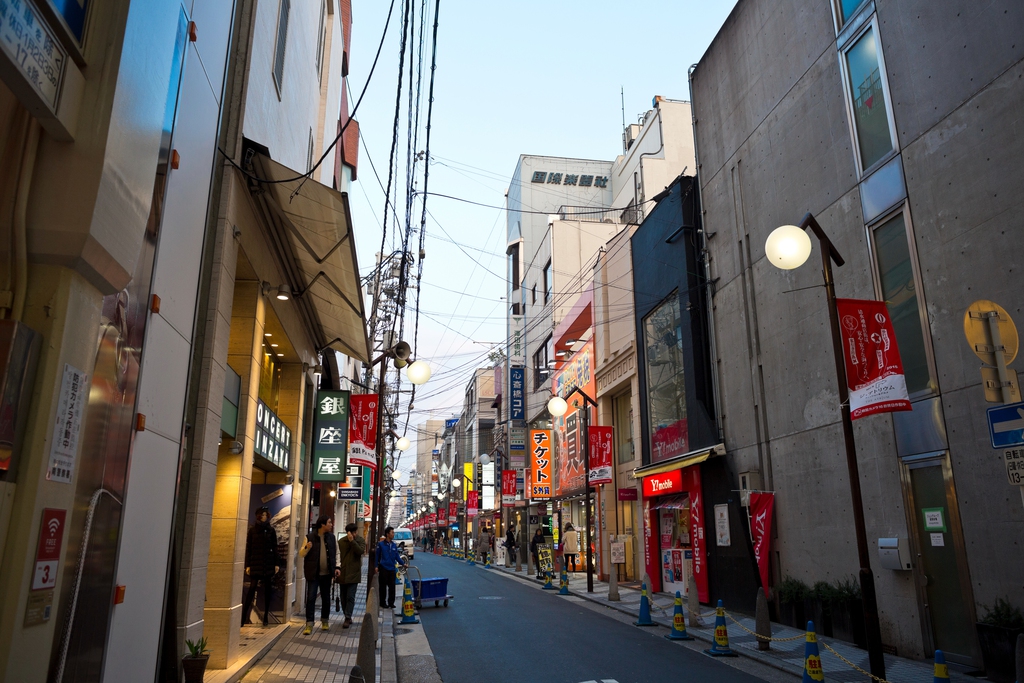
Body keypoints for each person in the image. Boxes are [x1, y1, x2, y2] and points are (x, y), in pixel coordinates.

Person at [299, 514, 340, 634]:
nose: (331, 525)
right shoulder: (309, 537)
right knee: (311, 598)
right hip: (313, 574)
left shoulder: (332, 538)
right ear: (322, 524)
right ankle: (309, 624)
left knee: (326, 598)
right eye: (329, 523)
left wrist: (337, 567)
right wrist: (307, 547)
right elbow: (301, 554)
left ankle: (325, 621)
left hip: (327, 574)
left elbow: (337, 553)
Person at [242, 506, 279, 627]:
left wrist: (276, 563)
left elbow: (275, 548)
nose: (264, 517)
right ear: (258, 516)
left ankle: (266, 617)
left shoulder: (271, 530)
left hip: (268, 563)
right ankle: (243, 616)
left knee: (268, 590)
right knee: (252, 588)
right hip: (256, 563)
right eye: (262, 515)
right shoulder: (252, 531)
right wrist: (247, 565)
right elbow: (249, 549)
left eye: (265, 514)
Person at [336, 522, 365, 629]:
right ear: (348, 532)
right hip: (342, 573)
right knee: (343, 597)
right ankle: (346, 615)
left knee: (350, 597)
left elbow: (360, 551)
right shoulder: (341, 542)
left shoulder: (360, 540)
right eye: (353, 532)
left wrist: (352, 541)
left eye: (355, 532)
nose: (355, 534)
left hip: (354, 573)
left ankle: (348, 617)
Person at [375, 526, 406, 609]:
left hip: (392, 568)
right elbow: (377, 556)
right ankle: (383, 602)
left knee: (392, 586)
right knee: (383, 587)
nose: (393, 534)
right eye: (392, 533)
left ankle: (391, 602)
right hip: (383, 568)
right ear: (387, 534)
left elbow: (397, 556)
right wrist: (376, 566)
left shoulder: (394, 545)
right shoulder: (381, 544)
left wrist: (403, 563)